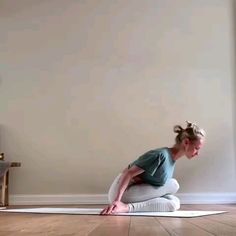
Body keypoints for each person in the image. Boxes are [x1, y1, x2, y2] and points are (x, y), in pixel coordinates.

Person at [100, 121, 206, 215]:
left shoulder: (172, 160)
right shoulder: (161, 155)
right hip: (122, 191)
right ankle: (125, 207)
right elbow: (128, 173)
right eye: (196, 148)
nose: (197, 153)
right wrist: (117, 200)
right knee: (173, 184)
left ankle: (127, 207)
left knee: (174, 202)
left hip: (135, 191)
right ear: (186, 142)